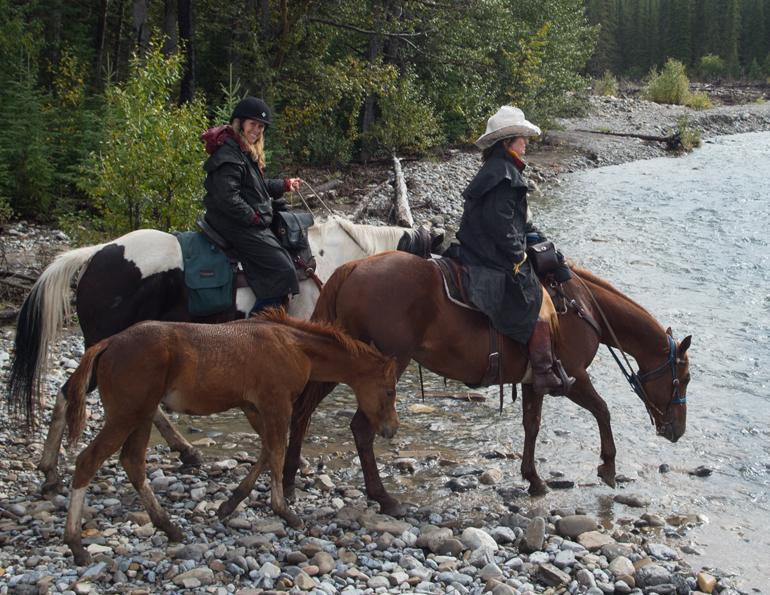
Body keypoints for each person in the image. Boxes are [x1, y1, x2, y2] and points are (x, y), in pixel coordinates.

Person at [455, 105, 574, 395]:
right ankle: (543, 371)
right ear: (508, 141)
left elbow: (512, 221)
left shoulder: (497, 169)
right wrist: (518, 255)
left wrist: (537, 240)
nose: (526, 142)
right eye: (522, 137)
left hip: (475, 245)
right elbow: (500, 222)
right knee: (533, 294)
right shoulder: (505, 173)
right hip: (488, 252)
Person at [200, 96, 302, 315]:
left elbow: (255, 188)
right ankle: (257, 325)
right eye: (253, 124)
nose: (257, 130)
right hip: (232, 222)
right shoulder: (229, 154)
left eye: (261, 127)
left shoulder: (242, 152)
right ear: (240, 123)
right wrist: (253, 217)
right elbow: (227, 197)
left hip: (240, 218)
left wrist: (284, 185)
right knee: (283, 269)